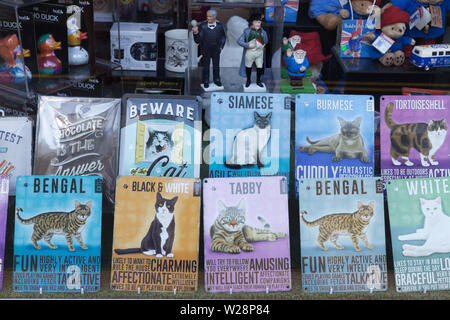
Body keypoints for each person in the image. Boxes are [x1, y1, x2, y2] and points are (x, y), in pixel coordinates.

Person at [192, 9, 226, 88]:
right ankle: (205, 80)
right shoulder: (202, 26)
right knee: (206, 66)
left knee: (216, 66)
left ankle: (216, 79)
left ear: (214, 17)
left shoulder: (220, 26)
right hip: (206, 50)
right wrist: (196, 33)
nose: (208, 18)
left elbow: (223, 37)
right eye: (207, 16)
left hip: (216, 50)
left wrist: (221, 47)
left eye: (210, 16)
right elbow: (198, 40)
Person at [237, 13, 268, 88]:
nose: (258, 24)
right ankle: (248, 80)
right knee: (248, 67)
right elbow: (239, 41)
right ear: (252, 22)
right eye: (256, 22)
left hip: (259, 53)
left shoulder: (263, 32)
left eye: (259, 22)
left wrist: (262, 45)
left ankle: (258, 81)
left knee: (259, 67)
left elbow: (266, 41)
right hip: (250, 52)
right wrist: (248, 45)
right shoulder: (247, 31)